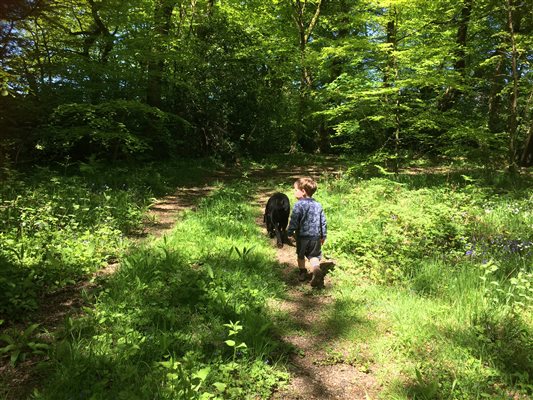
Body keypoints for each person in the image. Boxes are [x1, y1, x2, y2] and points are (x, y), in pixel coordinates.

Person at [287, 177, 327, 288]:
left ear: (303, 191)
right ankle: (316, 269)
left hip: (302, 237)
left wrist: (289, 232)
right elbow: (323, 221)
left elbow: (294, 220)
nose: (294, 192)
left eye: (295, 190)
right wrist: (323, 235)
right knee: (314, 256)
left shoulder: (298, 205)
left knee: (301, 255)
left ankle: (302, 272)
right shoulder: (318, 205)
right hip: (315, 237)